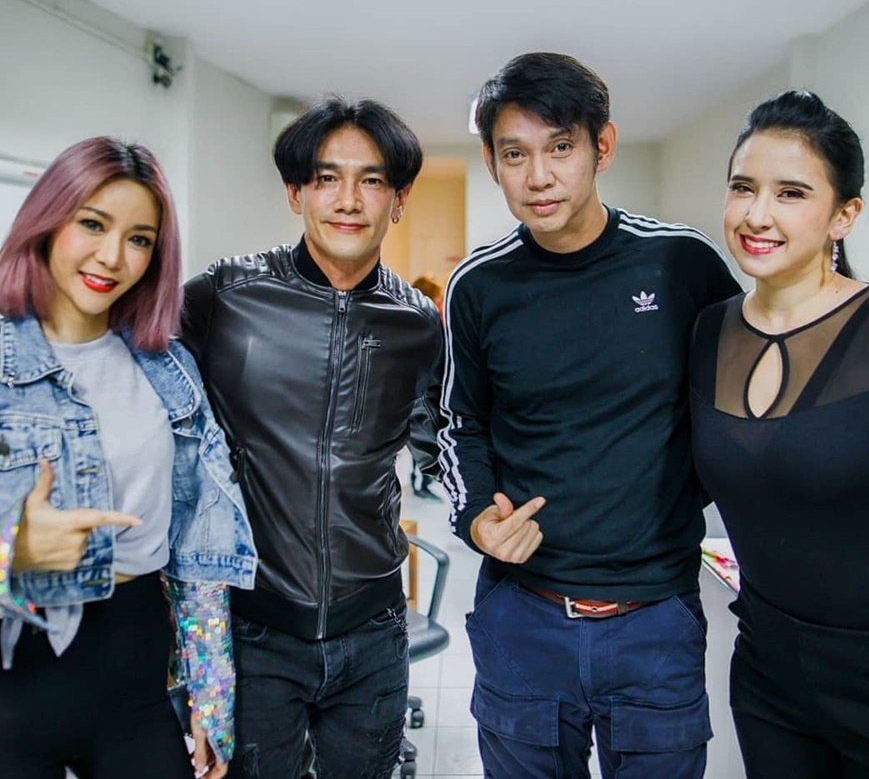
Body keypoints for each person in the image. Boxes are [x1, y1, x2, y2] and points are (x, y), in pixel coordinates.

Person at [439, 52, 740, 779]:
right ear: (492, 163)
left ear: (602, 146)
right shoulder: (478, 286)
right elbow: (458, 425)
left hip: (656, 615)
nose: (539, 177)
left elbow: (741, 398)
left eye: (560, 147)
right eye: (515, 154)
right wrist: (476, 519)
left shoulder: (680, 263)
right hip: (523, 614)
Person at [180, 97, 444, 779]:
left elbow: (444, 446)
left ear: (398, 200)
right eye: (327, 178)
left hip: (374, 629)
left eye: (372, 180)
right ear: (296, 193)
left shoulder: (418, 324)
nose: (348, 200)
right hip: (255, 627)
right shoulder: (223, 297)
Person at [0, 137, 257, 779]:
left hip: (133, 673)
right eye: (93, 224)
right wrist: (11, 550)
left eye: (139, 238)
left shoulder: (167, 368)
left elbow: (197, 546)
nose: (113, 257)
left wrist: (210, 696)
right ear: (46, 221)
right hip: (14, 677)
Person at [689, 90, 869, 778]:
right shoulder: (709, 331)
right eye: (742, 187)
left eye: (791, 193)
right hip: (769, 673)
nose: (757, 214)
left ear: (845, 215)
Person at [409, 274, 444, 500]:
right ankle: (420, 483)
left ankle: (422, 482)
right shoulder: (421, 325)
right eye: (437, 297)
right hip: (419, 392)